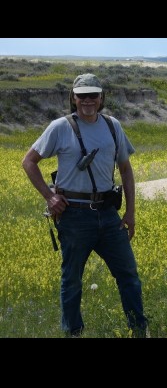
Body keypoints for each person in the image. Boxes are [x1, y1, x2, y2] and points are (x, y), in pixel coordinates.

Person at [22, 73, 148, 338]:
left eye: (93, 95)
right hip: (75, 216)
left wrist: (131, 212)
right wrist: (50, 196)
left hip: (109, 214)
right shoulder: (60, 127)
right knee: (72, 280)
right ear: (73, 98)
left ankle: (139, 330)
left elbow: (125, 169)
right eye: (82, 96)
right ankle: (74, 332)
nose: (88, 101)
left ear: (102, 98)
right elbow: (29, 162)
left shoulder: (113, 126)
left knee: (128, 276)